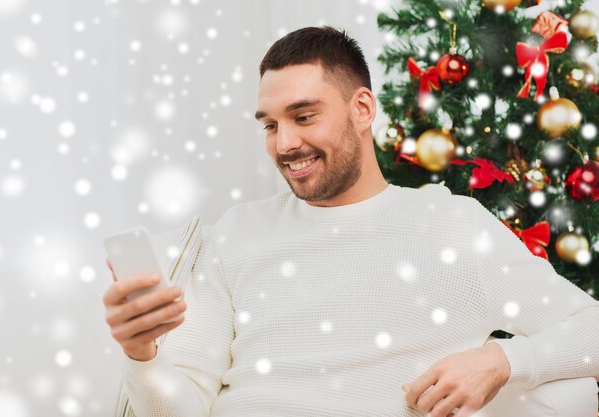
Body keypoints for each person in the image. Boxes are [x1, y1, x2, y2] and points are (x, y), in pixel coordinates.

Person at [103, 26, 599, 417]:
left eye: (303, 117)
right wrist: (143, 355)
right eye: (270, 125)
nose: (283, 145)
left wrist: (504, 361)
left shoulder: (449, 225)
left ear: (362, 109)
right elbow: (181, 408)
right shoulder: (238, 232)